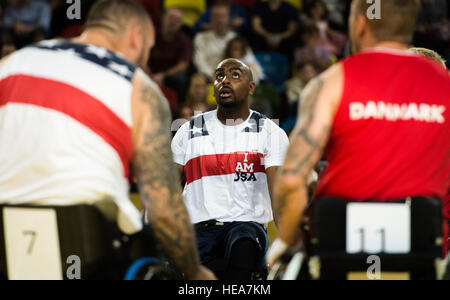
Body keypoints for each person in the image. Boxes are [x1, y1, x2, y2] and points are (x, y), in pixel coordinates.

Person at [0, 0, 214, 280]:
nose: (144, 61)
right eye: (148, 50)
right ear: (136, 37)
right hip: (88, 247)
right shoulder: (140, 89)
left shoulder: (12, 63)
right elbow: (163, 210)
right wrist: (195, 273)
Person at [268, 0, 450, 265]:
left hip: (344, 245)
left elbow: (292, 180)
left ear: (361, 23)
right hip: (425, 247)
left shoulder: (331, 82)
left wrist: (286, 240)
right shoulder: (444, 86)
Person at [171, 58, 289, 280]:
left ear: (251, 87)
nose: (224, 81)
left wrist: (286, 244)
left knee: (243, 240)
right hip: (197, 232)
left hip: (246, 230)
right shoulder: (188, 130)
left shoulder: (271, 133)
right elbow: (168, 192)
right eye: (219, 76)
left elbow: (279, 198)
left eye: (235, 75)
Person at [148, 7, 192, 101]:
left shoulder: (184, 40)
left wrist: (163, 75)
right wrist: (149, 74)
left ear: (181, 24)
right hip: (148, 73)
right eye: (171, 18)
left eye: (177, 20)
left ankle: (179, 108)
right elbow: (140, 56)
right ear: (163, 18)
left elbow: (183, 65)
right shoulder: (151, 34)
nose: (173, 22)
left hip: (168, 77)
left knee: (181, 80)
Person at [193, 3, 237, 80]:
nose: (219, 20)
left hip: (231, 77)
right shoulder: (200, 37)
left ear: (228, 19)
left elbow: (247, 58)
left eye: (222, 16)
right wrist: (213, 75)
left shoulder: (235, 37)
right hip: (208, 77)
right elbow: (199, 61)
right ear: (211, 19)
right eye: (216, 16)